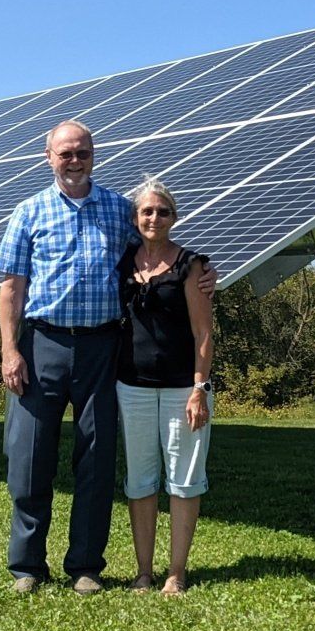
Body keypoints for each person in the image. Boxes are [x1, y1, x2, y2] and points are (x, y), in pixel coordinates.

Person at [0, 121, 215, 594]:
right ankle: (27, 566)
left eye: (83, 153)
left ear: (94, 156)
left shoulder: (119, 210)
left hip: (102, 348)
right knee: (30, 457)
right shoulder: (28, 212)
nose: (75, 161)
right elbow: (11, 288)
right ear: (48, 157)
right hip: (42, 345)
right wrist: (11, 351)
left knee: (95, 459)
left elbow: (157, 257)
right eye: (66, 154)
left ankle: (86, 566)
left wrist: (202, 271)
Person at [115, 178, 213, 595]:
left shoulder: (192, 266)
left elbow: (203, 334)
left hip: (180, 390)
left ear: (174, 217)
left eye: (163, 211)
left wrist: (200, 389)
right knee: (139, 481)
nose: (154, 218)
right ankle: (143, 571)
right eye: (146, 211)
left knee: (184, 479)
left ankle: (176, 572)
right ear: (135, 218)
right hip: (131, 386)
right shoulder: (121, 262)